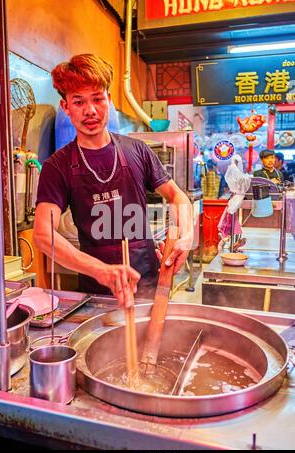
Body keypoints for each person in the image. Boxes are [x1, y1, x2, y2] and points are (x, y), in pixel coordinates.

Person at [34, 54, 193, 308]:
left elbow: (177, 197)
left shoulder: (138, 151)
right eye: (78, 101)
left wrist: (187, 235)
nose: (90, 110)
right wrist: (100, 270)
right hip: (95, 293)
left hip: (149, 286)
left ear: (109, 100)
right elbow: (43, 235)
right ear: (66, 107)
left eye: (97, 98)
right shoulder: (57, 166)